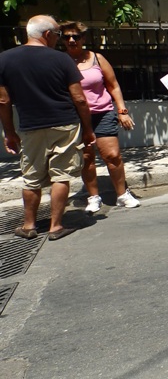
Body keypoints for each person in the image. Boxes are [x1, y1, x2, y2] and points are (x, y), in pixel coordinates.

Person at [0, 15, 95, 240]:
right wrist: (88, 128)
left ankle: (29, 225)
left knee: (31, 177)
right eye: (58, 35)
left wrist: (9, 132)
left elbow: (3, 101)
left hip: (30, 127)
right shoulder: (62, 60)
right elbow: (79, 99)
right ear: (47, 34)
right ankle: (55, 227)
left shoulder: (4, 59)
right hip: (64, 124)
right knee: (60, 176)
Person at [60, 21, 141, 213]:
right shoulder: (61, 61)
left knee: (112, 155)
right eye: (66, 37)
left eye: (76, 36)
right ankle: (93, 197)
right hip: (77, 117)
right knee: (87, 158)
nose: (71, 40)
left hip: (103, 113)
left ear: (83, 38)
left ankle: (122, 194)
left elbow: (113, 85)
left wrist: (122, 111)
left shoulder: (96, 58)